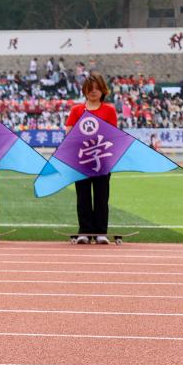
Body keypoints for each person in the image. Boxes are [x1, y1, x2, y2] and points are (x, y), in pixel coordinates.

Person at [65, 72, 118, 245]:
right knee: (83, 197)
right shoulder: (77, 110)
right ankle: (85, 232)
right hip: (81, 161)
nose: (93, 92)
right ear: (85, 91)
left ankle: (101, 232)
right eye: (90, 89)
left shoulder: (109, 110)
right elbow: (69, 133)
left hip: (102, 160)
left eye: (97, 88)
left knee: (102, 197)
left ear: (102, 90)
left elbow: (113, 135)